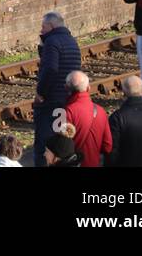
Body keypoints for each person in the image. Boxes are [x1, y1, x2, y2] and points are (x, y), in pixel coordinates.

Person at [33, 11, 82, 167]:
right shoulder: (71, 41)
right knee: (59, 141)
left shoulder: (52, 42)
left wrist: (41, 92)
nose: (41, 30)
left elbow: (50, 70)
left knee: (44, 143)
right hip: (66, 100)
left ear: (51, 26)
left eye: (43, 27)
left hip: (51, 100)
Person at [63, 70, 112, 167]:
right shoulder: (100, 111)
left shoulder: (67, 112)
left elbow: (61, 147)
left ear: (66, 88)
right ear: (88, 88)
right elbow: (107, 146)